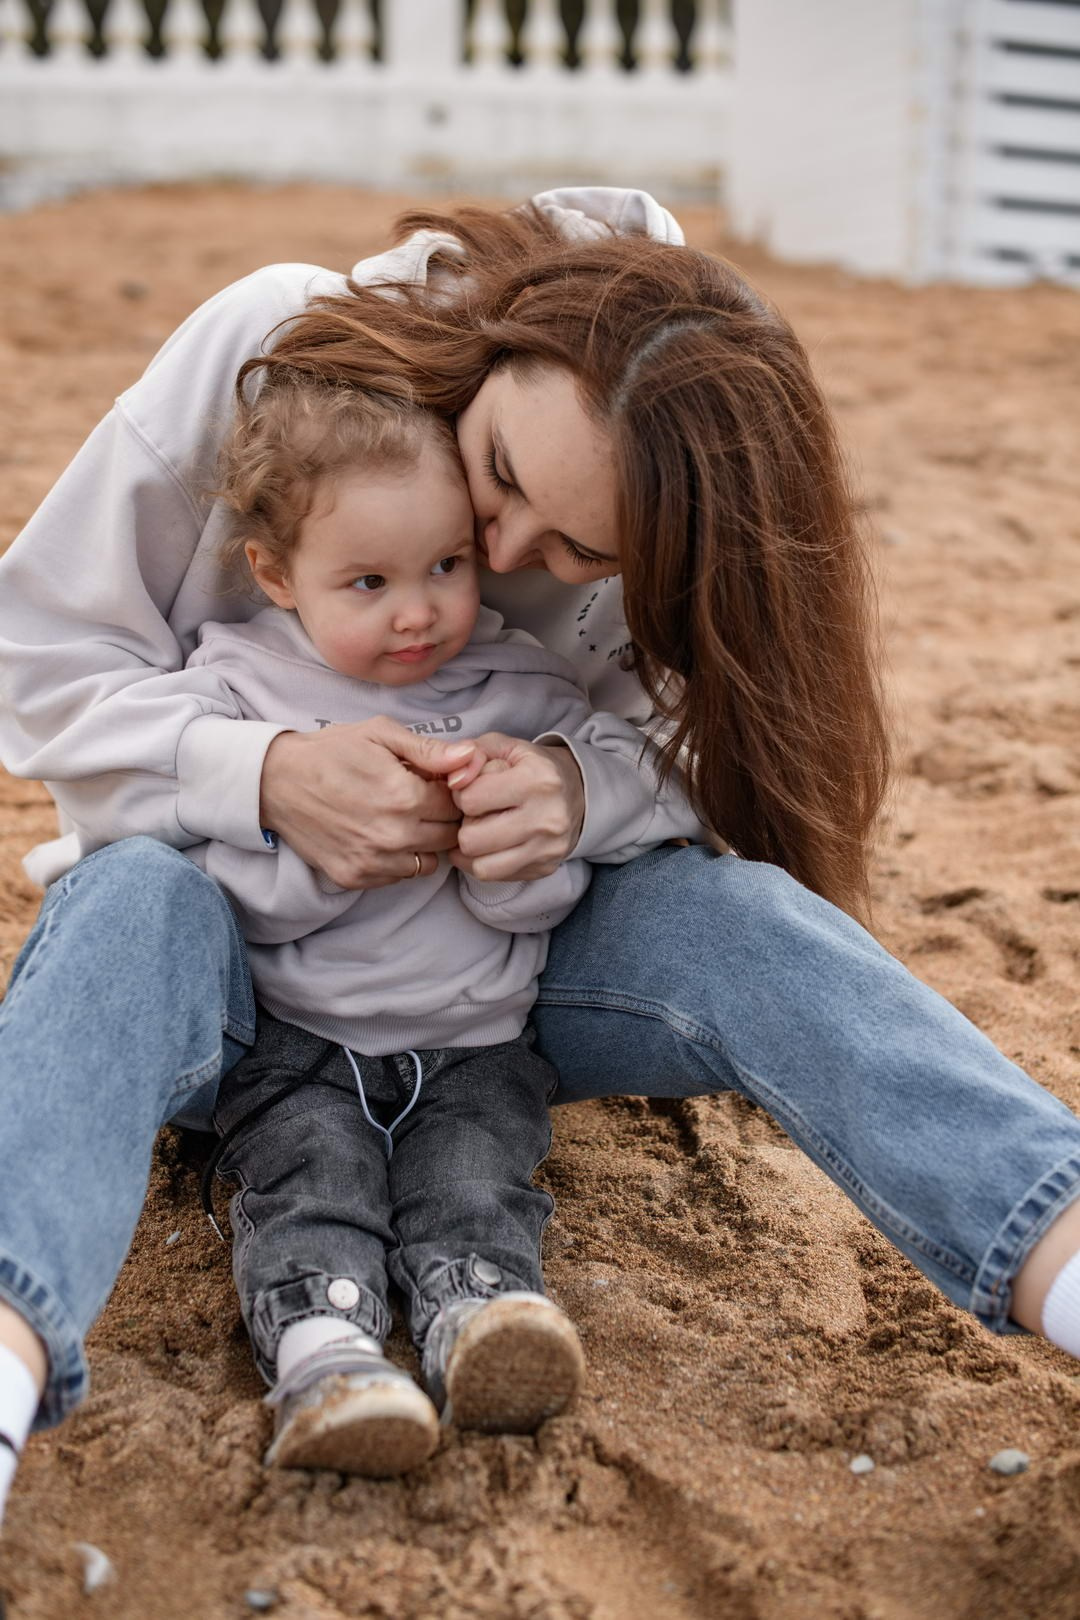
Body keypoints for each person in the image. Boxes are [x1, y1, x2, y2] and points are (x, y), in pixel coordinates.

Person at [2, 187, 1080, 1528]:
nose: (506, 558)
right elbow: (39, 662)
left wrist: (577, 794)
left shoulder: (682, 520)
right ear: (503, 339)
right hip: (226, 976)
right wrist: (266, 775)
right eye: (502, 476)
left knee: (741, 919)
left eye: (584, 556)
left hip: (489, 994)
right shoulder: (268, 347)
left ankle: (1061, 1245)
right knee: (126, 901)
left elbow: (715, 759)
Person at [187, 374, 701, 1476]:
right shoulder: (242, 687)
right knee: (309, 1182)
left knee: (478, 1185)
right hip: (302, 1042)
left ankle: (487, 1318)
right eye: (367, 582)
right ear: (276, 576)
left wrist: (507, 848)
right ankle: (326, 1352)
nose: (417, 611)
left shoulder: (523, 687)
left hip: (478, 1042)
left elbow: (552, 892)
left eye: (446, 568)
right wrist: (335, 857)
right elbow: (224, 894)